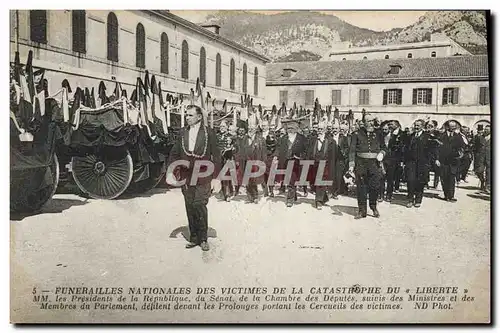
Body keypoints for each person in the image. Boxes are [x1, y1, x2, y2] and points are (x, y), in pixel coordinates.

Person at [166, 105, 221, 251]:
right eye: (186, 115)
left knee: (199, 204)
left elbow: (217, 156)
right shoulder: (182, 132)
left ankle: (203, 238)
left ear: (199, 117)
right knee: (189, 205)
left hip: (203, 174)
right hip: (186, 175)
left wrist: (216, 178)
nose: (187, 118)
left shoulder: (209, 133)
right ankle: (194, 238)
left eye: (190, 115)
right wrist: (171, 170)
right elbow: (175, 152)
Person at [348, 114, 386, 219]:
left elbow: (384, 148)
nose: (370, 123)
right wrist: (351, 165)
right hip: (361, 164)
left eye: (371, 121)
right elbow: (352, 151)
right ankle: (362, 210)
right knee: (361, 188)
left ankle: (373, 207)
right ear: (363, 122)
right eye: (367, 121)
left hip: (374, 164)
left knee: (374, 187)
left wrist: (382, 153)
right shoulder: (356, 134)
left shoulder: (379, 134)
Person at [403, 119, 438, 208]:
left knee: (420, 182)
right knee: (410, 181)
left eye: (418, 125)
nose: (416, 127)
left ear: (422, 126)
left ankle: (418, 200)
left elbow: (432, 150)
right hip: (411, 163)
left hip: (423, 163)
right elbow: (406, 149)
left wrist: (429, 162)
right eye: (415, 125)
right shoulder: (410, 136)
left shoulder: (428, 136)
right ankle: (410, 199)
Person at [273, 118, 308, 207]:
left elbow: (306, 150)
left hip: (297, 162)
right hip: (285, 162)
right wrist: (276, 156)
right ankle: (293, 195)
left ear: (296, 129)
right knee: (290, 180)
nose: (290, 130)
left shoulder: (301, 138)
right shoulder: (284, 138)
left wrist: (300, 156)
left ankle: (290, 199)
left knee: (292, 180)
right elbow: (278, 148)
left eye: (292, 128)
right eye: (288, 128)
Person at [307, 121, 335, 209]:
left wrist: (331, 168)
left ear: (325, 130)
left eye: (321, 129)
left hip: (325, 164)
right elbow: (309, 152)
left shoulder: (331, 141)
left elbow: (332, 156)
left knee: (320, 181)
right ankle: (324, 197)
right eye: (318, 129)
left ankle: (318, 201)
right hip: (314, 164)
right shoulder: (313, 139)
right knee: (316, 182)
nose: (319, 131)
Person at [436, 120, 465, 202]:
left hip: (453, 161)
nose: (453, 128)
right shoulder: (441, 136)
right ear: (447, 127)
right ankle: (446, 195)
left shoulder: (458, 136)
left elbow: (462, 146)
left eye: (454, 127)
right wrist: (437, 159)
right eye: (451, 127)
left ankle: (451, 196)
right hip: (443, 161)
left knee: (451, 178)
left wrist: (461, 153)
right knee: (444, 178)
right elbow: (437, 148)